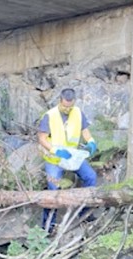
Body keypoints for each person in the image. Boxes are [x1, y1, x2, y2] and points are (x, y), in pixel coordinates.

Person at [37, 88, 98, 231]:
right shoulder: (50, 116)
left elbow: (85, 131)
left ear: (74, 102)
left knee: (90, 177)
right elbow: (42, 138)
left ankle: (85, 213)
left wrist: (91, 141)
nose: (67, 109)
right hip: (55, 158)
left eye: (69, 107)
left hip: (72, 157)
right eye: (65, 106)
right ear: (60, 100)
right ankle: (48, 225)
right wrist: (55, 150)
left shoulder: (77, 113)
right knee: (53, 189)